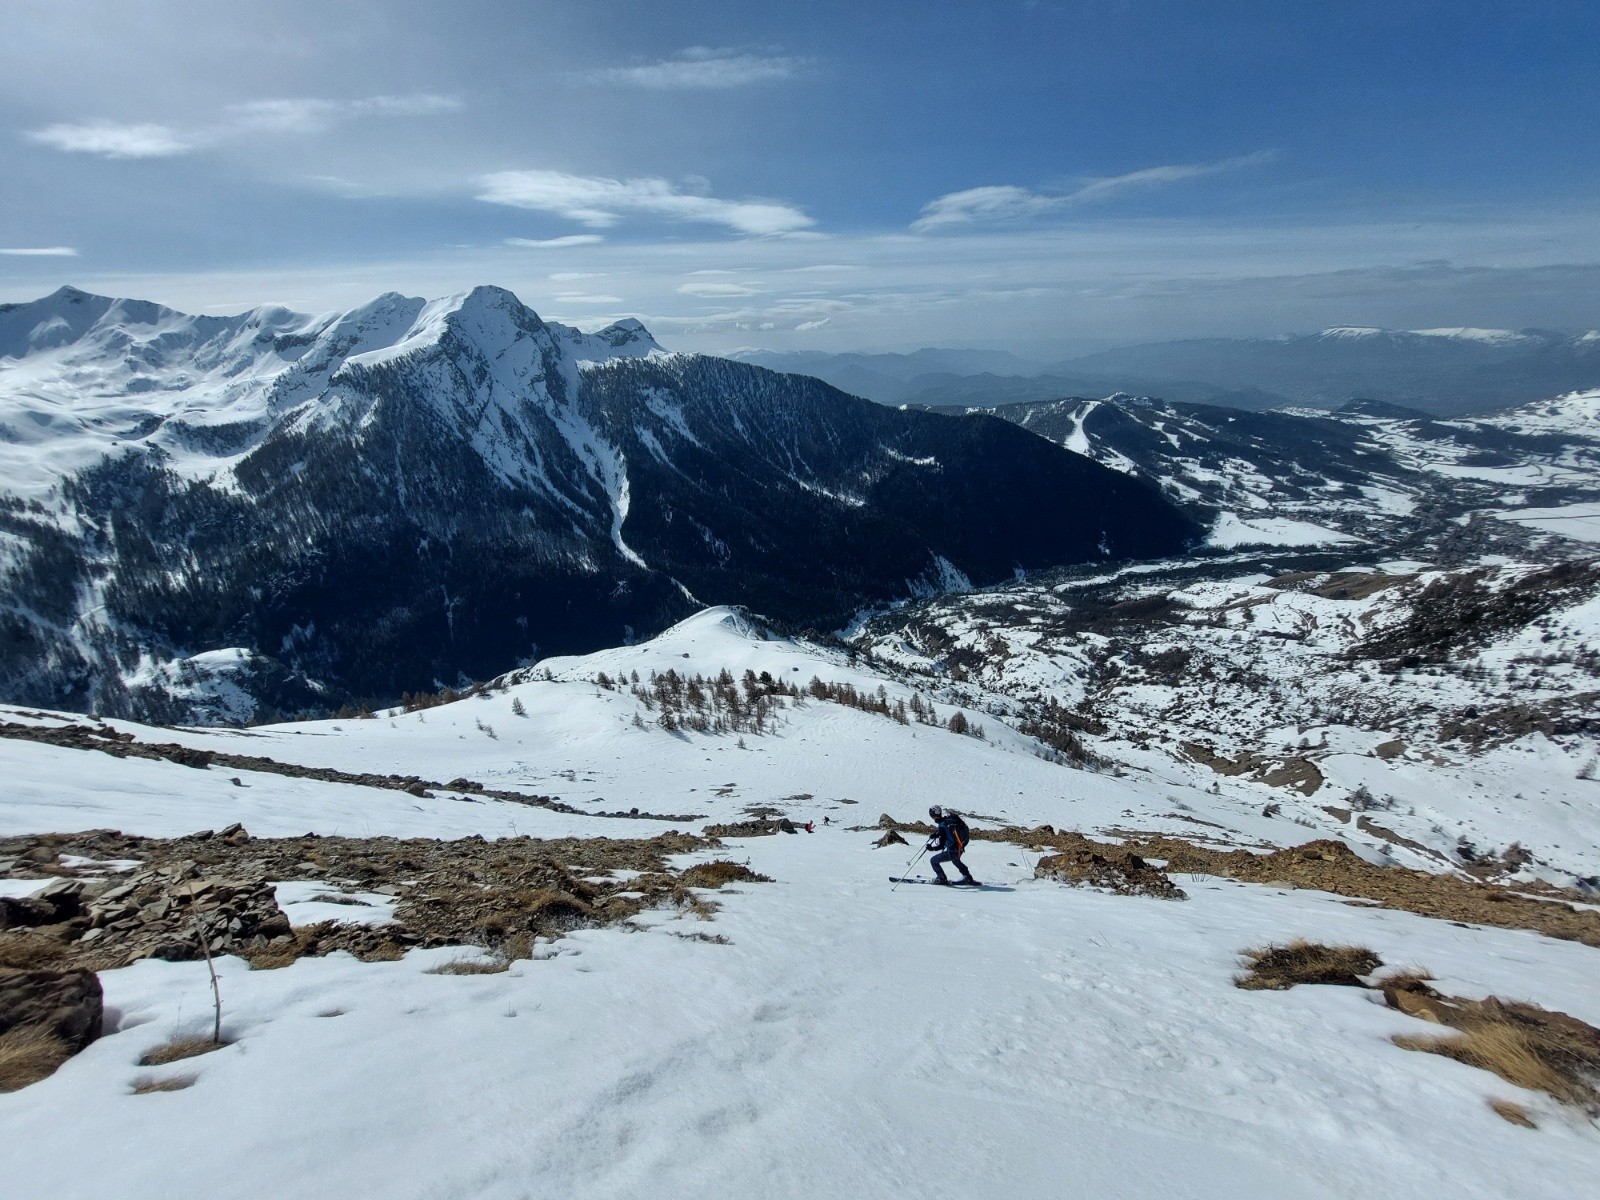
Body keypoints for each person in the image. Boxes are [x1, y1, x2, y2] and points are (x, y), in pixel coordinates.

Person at [926, 805, 977, 885]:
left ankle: (941, 878)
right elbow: (946, 833)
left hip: (953, 851)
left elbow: (941, 846)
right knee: (955, 861)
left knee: (933, 861)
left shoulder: (942, 826)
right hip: (959, 847)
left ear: (932, 816)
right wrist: (936, 834)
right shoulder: (948, 821)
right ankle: (968, 877)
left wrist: (932, 848)